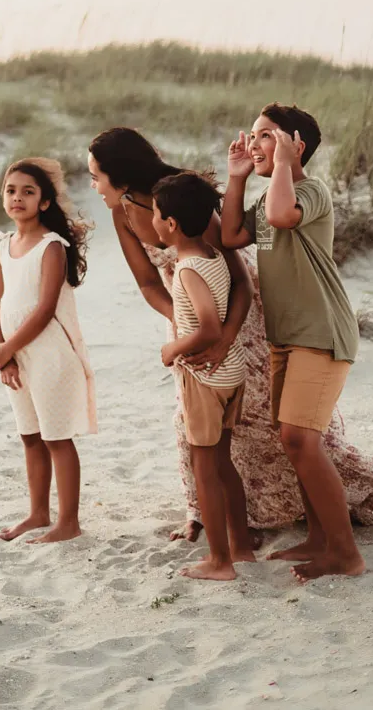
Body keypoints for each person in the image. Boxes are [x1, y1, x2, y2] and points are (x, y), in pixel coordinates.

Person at [90, 126, 373, 543]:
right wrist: (182, 321)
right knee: (195, 417)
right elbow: (149, 284)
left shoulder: (182, 196)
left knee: (260, 416)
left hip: (236, 313)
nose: (93, 186)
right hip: (188, 316)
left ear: (122, 175)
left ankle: (310, 504)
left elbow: (240, 277)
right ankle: (205, 511)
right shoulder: (122, 211)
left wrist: (225, 337)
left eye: (96, 176)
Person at [221, 103, 366, 582]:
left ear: (296, 144)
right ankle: (320, 538)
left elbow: (285, 215)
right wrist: (238, 176)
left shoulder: (311, 190)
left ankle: (345, 554)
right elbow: (231, 234)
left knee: (301, 438)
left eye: (267, 136)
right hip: (287, 339)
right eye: (255, 135)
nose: (255, 143)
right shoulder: (265, 201)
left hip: (321, 331)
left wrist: (282, 166)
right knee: (295, 440)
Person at [0, 158, 96, 544]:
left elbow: (45, 308)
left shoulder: (52, 246)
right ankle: (38, 512)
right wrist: (4, 353)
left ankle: (68, 521)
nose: (17, 197)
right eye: (11, 190)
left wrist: (8, 348)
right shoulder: (4, 247)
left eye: (28, 192)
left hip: (49, 354)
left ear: (45, 203)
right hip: (17, 358)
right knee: (29, 436)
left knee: (56, 437)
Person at [153, 171, 253, 580]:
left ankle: (219, 561)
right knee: (223, 462)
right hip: (231, 374)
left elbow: (209, 327)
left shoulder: (189, 269)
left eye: (157, 215)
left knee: (205, 469)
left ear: (171, 224)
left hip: (205, 381)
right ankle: (241, 547)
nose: (154, 222)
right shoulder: (212, 256)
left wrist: (172, 349)